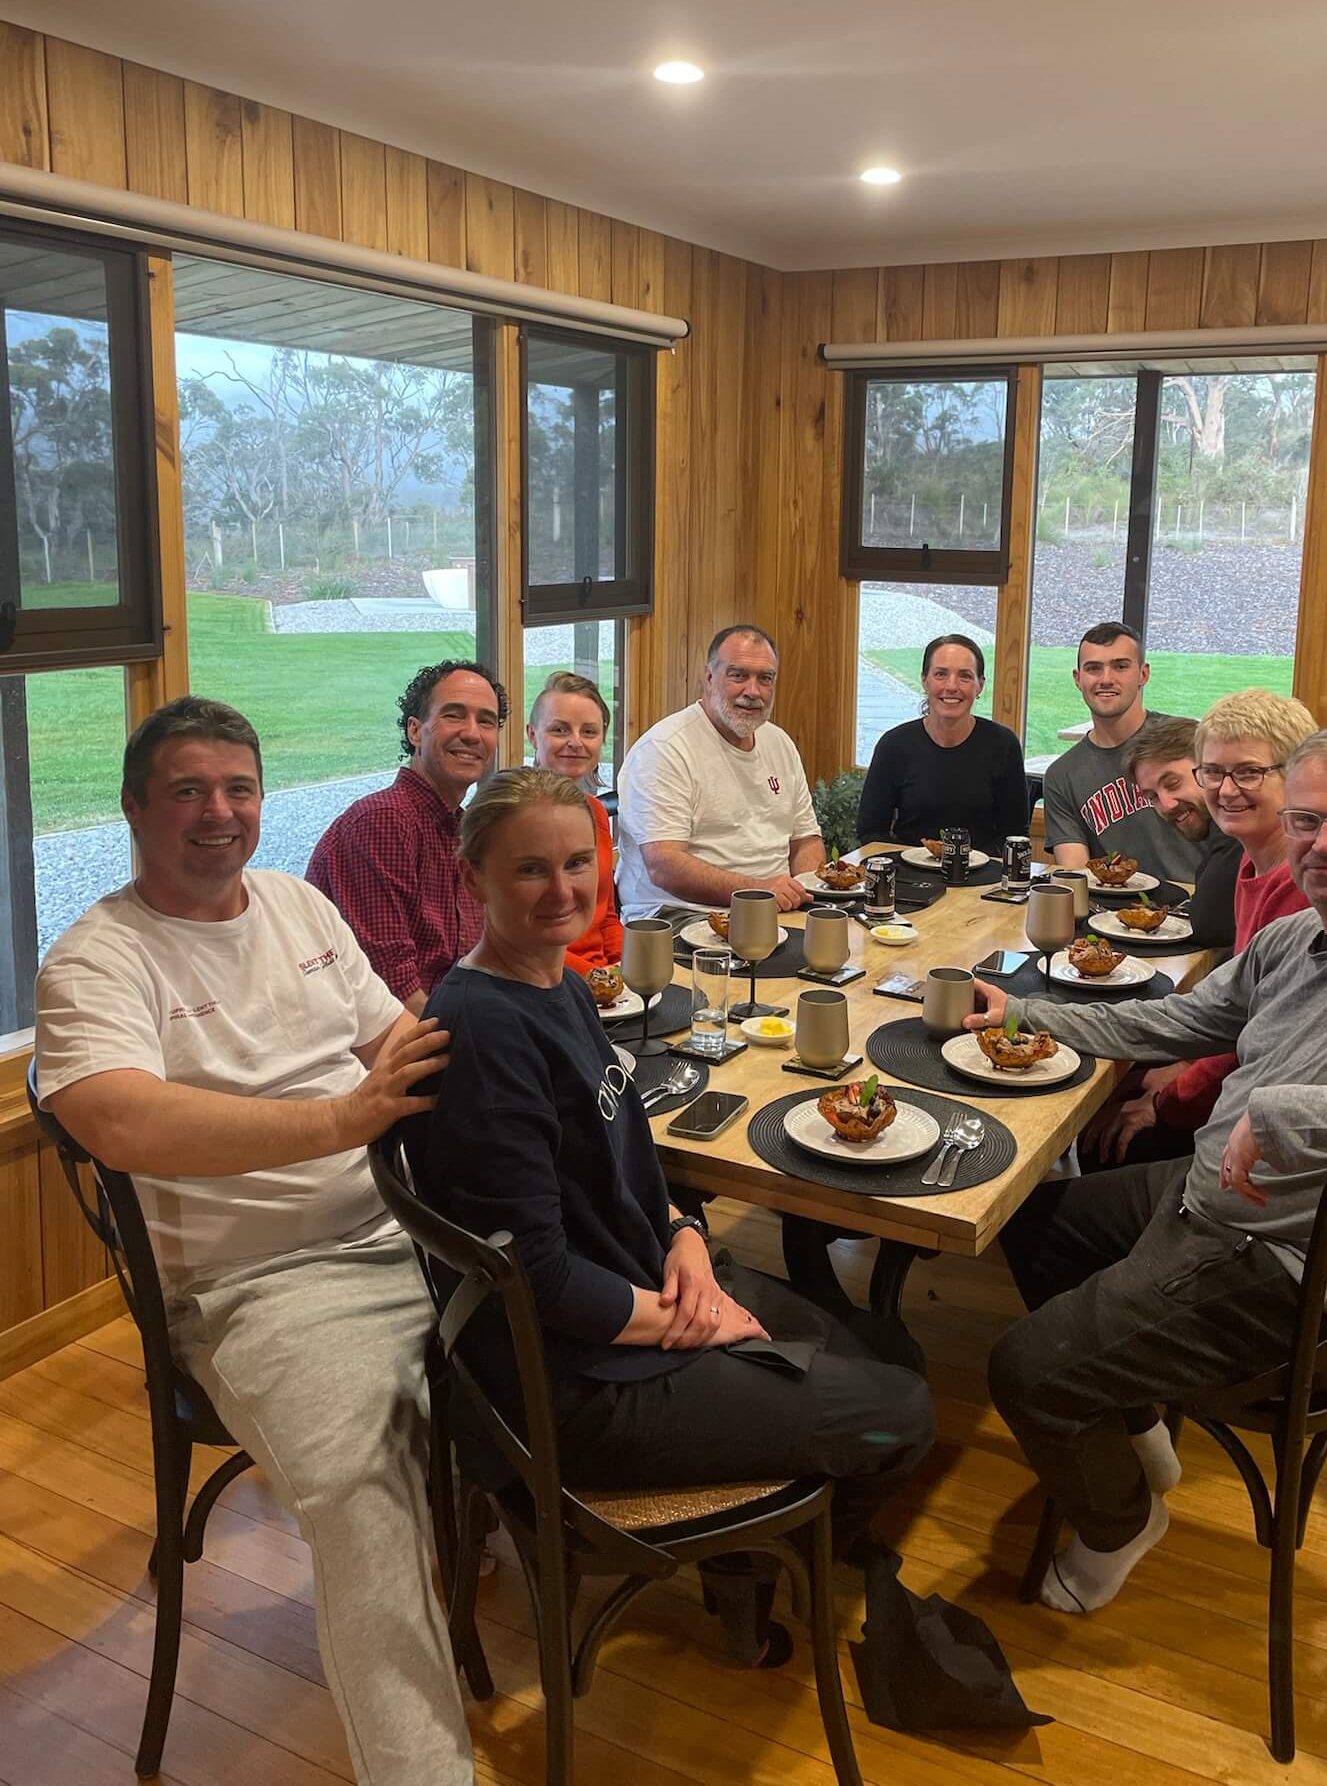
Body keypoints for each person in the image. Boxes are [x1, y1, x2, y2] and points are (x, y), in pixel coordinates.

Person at [972, 726, 1327, 1618]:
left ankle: (1118, 1526)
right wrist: (1027, 1015)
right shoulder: (1299, 935)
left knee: (1025, 1370)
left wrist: (1284, 1113)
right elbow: (1178, 1024)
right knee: (1034, 1225)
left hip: (1298, 1269)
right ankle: (1138, 1428)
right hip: (1216, 1202)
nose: (1323, 843)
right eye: (1306, 820)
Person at [34, 696, 474, 1786]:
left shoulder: (296, 904)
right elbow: (118, 1118)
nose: (218, 812)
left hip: (409, 1226)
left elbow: (401, 1046)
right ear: (134, 807)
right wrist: (340, 1121)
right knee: (364, 1494)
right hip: (258, 1285)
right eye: (187, 790)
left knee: (575, 1338)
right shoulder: (98, 959)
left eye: (238, 788)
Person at [404, 768, 935, 1660]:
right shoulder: (488, 1034)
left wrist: (685, 1233)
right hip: (581, 1384)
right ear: (472, 878)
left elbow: (626, 1151)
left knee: (885, 1353)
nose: (563, 890)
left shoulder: (557, 983)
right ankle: (765, 1570)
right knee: (902, 1414)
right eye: (530, 869)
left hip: (639, 1288)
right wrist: (694, 1324)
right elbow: (536, 1277)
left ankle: (748, 1569)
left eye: (578, 862)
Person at [1081, 692, 1316, 1170]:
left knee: (1108, 1134)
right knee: (1116, 1086)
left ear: (1297, 774)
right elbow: (1236, 1016)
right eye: (1214, 774)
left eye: (1248, 773)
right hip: (1241, 1078)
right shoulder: (1251, 862)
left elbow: (1266, 1045)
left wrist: (1168, 1098)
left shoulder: (1305, 887)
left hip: (1267, 1131)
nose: (1226, 791)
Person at [308, 658, 509, 1012]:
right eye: (454, 715)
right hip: (391, 1035)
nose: (472, 733)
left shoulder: (464, 831)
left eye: (486, 721)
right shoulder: (382, 823)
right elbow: (391, 988)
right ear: (415, 731)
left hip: (452, 1017)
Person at [617, 624, 825, 914]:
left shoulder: (780, 743)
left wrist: (806, 891)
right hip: (681, 914)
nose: (752, 691)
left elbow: (806, 841)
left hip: (774, 910)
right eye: (738, 675)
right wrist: (757, 892)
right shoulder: (664, 748)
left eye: (765, 678)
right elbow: (664, 865)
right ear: (709, 677)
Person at [1042, 623, 1203, 884]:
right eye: (1093, 668)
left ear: (1143, 674)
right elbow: (1076, 877)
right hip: (1113, 904)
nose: (1106, 679)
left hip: (1202, 897)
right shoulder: (1062, 776)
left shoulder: (1188, 742)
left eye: (1120, 666)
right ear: (1078, 679)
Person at [856, 632, 1034, 856]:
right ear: (925, 680)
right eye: (941, 674)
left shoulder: (1003, 745)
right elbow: (871, 831)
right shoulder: (894, 746)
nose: (952, 686)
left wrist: (969, 863)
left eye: (965, 676)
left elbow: (1015, 834)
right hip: (908, 871)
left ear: (980, 686)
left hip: (983, 872)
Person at [526, 669, 623, 973]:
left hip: (604, 980)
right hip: (543, 978)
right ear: (532, 735)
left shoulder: (596, 812)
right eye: (560, 730)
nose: (576, 742)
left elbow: (606, 917)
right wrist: (594, 980)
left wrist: (628, 970)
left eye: (589, 732)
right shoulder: (514, 820)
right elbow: (522, 935)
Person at [1123, 714, 1242, 947]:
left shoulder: (1237, 836)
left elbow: (1208, 926)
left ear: (1209, 770)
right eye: (1152, 796)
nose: (1166, 805)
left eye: (1173, 784)